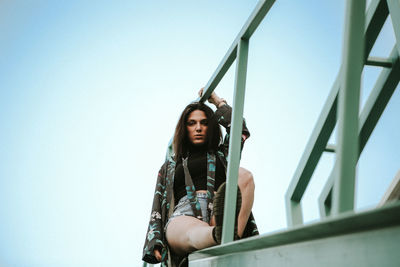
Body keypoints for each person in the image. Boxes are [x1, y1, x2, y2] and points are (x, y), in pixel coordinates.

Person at [142, 89, 258, 267]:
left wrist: (218, 102)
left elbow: (238, 128)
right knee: (192, 232)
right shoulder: (170, 165)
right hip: (184, 216)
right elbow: (158, 203)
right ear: (184, 128)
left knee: (244, 175)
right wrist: (154, 241)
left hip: (219, 209)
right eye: (192, 123)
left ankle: (227, 231)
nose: (198, 128)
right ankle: (220, 236)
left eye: (204, 123)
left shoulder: (223, 154)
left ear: (211, 126)